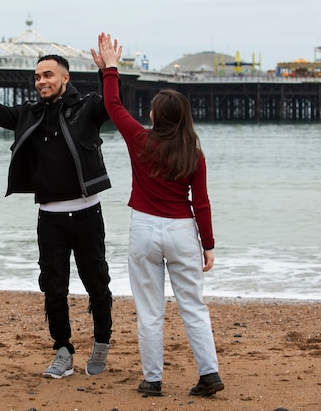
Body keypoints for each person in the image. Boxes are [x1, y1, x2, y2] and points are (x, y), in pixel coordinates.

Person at [0, 36, 116, 378]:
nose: (41, 82)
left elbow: (114, 106)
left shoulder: (89, 107)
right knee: (53, 287)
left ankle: (101, 342)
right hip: (49, 217)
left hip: (86, 213)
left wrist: (109, 70)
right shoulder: (29, 114)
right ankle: (63, 350)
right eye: (37, 77)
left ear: (65, 78)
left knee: (97, 282)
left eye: (48, 75)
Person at [92, 32, 225, 397]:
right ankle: (209, 373)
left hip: (145, 230)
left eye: (151, 109)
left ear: (156, 116)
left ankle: (152, 380)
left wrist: (110, 69)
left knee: (150, 310)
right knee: (193, 307)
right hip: (183, 231)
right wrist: (208, 245)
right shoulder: (193, 152)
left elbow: (114, 106)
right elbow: (202, 202)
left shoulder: (141, 140)